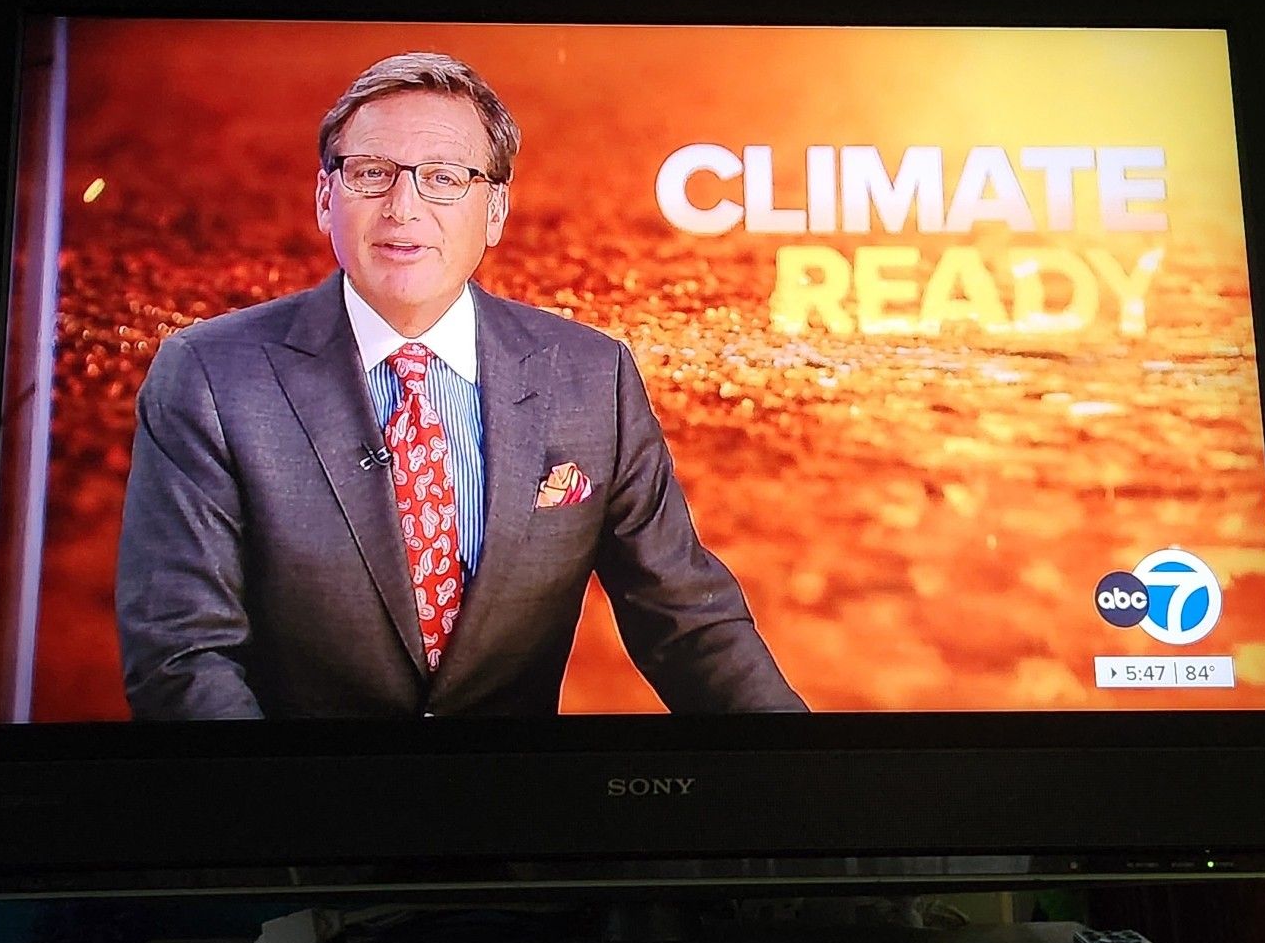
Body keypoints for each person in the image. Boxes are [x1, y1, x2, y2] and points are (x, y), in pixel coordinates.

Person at [116, 52, 806, 721]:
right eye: (372, 173)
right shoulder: (210, 376)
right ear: (326, 197)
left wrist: (812, 773)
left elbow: (686, 622)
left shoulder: (593, 377)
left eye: (444, 178)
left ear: (496, 209)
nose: (402, 207)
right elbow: (183, 654)